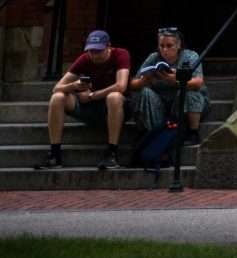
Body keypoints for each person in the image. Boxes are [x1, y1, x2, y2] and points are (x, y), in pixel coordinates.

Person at [129, 26, 207, 190]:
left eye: (169, 46)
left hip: (182, 103)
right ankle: (153, 133)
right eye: (162, 46)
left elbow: (198, 82)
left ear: (178, 45)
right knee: (145, 93)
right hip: (161, 102)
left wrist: (175, 80)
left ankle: (193, 131)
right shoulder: (153, 58)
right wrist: (145, 80)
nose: (165, 50)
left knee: (189, 90)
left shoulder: (190, 56)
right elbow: (133, 84)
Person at [45, 30, 129, 171]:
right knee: (57, 97)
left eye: (98, 51)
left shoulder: (121, 54)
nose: (94, 55)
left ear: (108, 46)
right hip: (89, 107)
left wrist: (92, 95)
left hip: (113, 107)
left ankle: (112, 152)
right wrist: (75, 86)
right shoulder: (85, 59)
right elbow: (56, 87)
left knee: (114, 96)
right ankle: (54, 153)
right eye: (91, 51)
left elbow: (121, 85)